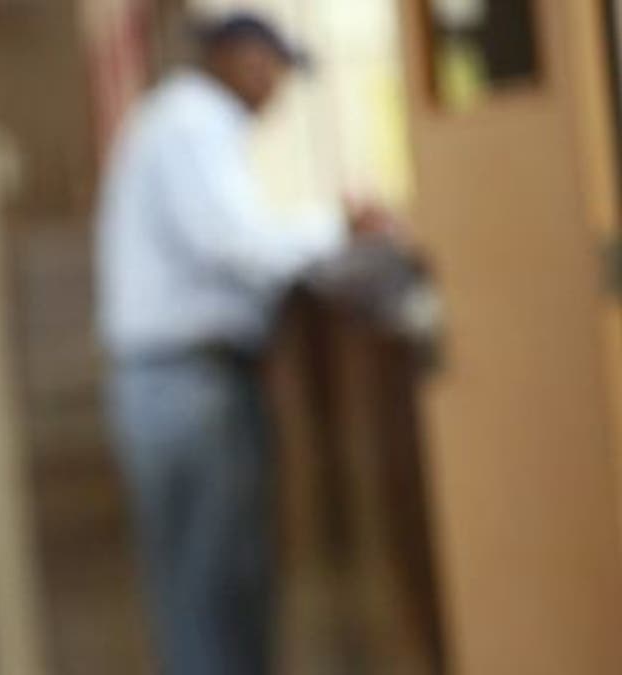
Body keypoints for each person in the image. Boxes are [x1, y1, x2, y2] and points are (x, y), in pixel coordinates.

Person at [95, 12, 393, 675]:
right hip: (188, 385)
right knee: (214, 589)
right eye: (270, 67)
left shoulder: (184, 122)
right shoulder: (192, 122)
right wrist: (341, 226)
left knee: (202, 591)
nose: (278, 87)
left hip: (176, 383)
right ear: (230, 58)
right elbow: (241, 247)